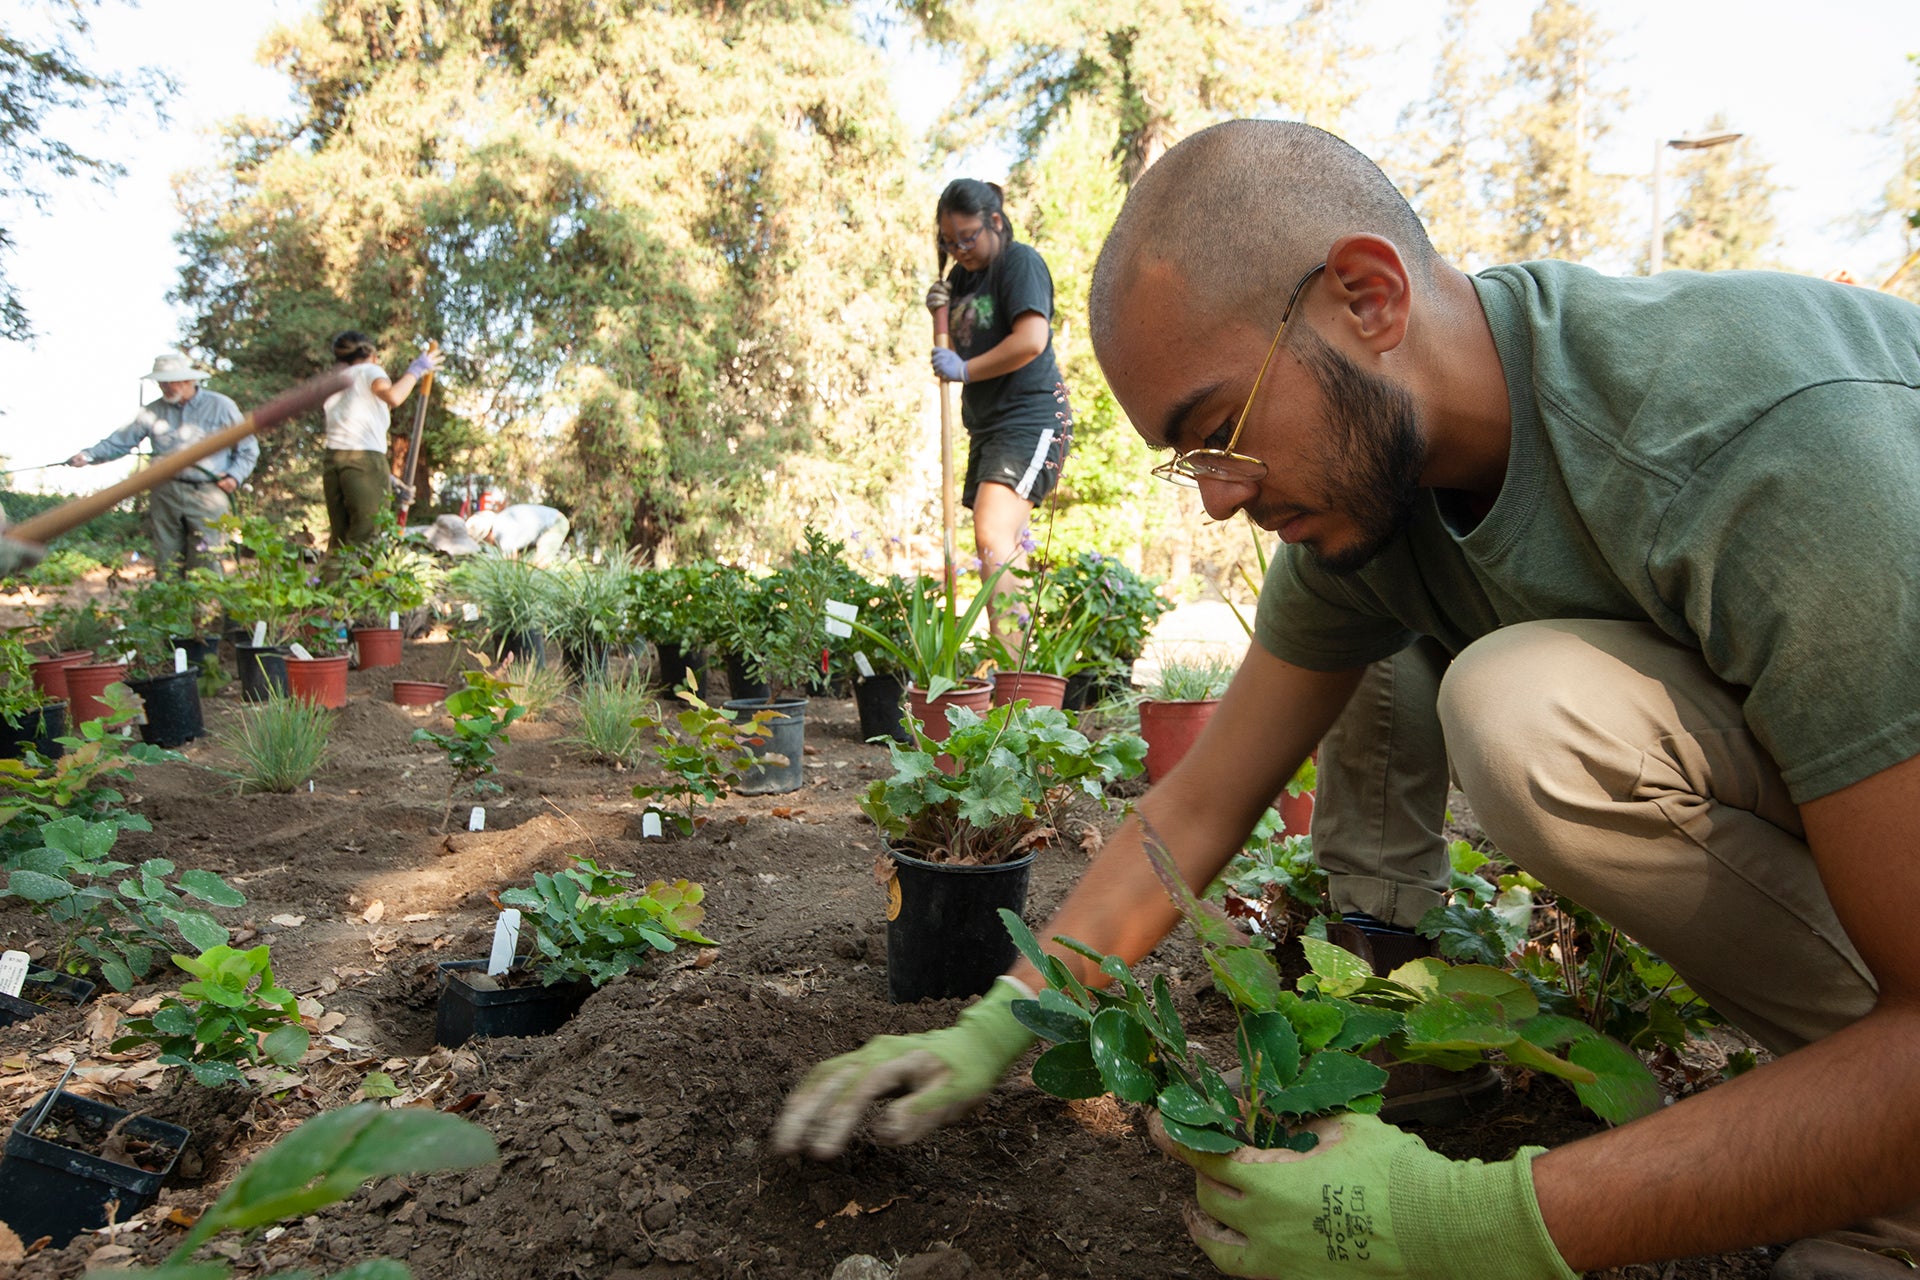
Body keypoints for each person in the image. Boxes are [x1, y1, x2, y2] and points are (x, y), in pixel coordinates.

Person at [775, 119, 1920, 1280]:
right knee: (1434, 668)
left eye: (1221, 431)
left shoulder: (1762, 450)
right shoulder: (1383, 500)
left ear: (1368, 299)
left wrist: (1459, 1223)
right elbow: (1198, 806)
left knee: (1524, 711)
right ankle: (1866, 1131)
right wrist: (998, 1024)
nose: (1218, 502)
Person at [926, 179, 1072, 628]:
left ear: (994, 221)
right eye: (949, 242)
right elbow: (958, 346)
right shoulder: (961, 277)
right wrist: (939, 313)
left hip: (1032, 418)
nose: (959, 249)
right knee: (1000, 544)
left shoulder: (1019, 262)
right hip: (988, 427)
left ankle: (1014, 675)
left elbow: (1030, 340)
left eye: (967, 238)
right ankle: (1015, 670)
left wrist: (965, 371)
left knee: (994, 535)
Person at [67, 352, 254, 577]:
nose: (165, 387)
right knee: (167, 560)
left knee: (207, 560)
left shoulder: (221, 406)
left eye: (171, 381)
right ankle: (172, 611)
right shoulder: (152, 411)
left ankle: (207, 612)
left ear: (188, 381)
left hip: (208, 492)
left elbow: (248, 449)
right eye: (161, 382)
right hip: (165, 492)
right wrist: (88, 455)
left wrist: (234, 476)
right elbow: (120, 441)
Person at [321, 331, 439, 554]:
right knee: (365, 536)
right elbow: (393, 396)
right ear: (372, 355)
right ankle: (357, 588)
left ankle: (327, 588)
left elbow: (349, 437)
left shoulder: (335, 382)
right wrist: (415, 371)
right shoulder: (370, 370)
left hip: (333, 460)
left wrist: (387, 478)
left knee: (340, 539)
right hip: (365, 460)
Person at [465, 503, 569, 567]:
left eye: (486, 541)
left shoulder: (502, 532)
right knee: (528, 562)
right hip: (544, 528)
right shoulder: (501, 521)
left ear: (487, 535)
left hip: (554, 523)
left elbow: (511, 564)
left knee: (540, 564)